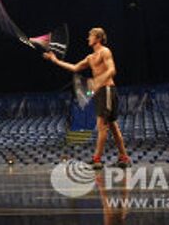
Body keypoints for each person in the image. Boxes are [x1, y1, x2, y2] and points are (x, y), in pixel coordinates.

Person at [44, 27, 130, 169]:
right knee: (113, 126)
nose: (88, 38)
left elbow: (112, 70)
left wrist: (98, 82)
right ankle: (124, 157)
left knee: (102, 125)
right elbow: (75, 68)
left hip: (107, 90)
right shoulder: (90, 58)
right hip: (101, 92)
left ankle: (97, 159)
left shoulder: (105, 51)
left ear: (98, 38)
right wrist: (55, 60)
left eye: (90, 36)